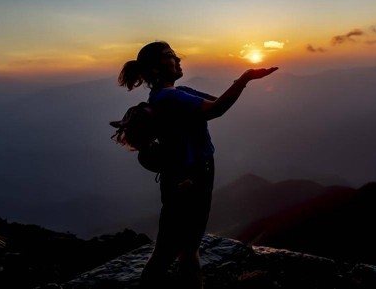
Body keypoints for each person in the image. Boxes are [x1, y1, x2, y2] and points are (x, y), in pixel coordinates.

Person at [115, 40, 277, 288]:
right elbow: (217, 109)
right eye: (170, 56)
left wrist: (231, 88)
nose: (178, 59)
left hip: (186, 176)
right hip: (188, 179)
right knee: (172, 250)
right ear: (155, 68)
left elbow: (215, 101)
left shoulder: (171, 94)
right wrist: (244, 79)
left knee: (185, 247)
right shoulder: (170, 98)